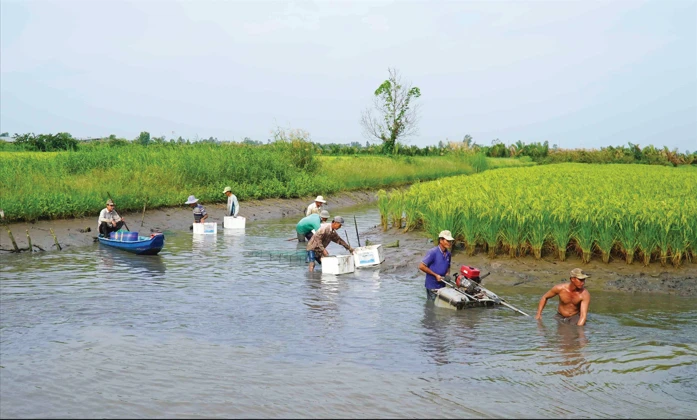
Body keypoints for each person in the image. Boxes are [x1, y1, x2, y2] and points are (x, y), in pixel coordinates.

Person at [419, 230, 454, 301]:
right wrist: (435, 275)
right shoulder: (433, 252)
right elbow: (421, 266)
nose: (450, 243)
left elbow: (448, 266)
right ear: (441, 240)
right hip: (432, 286)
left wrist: (447, 274)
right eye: (448, 241)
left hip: (442, 285)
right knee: (432, 307)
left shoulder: (448, 254)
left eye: (450, 241)